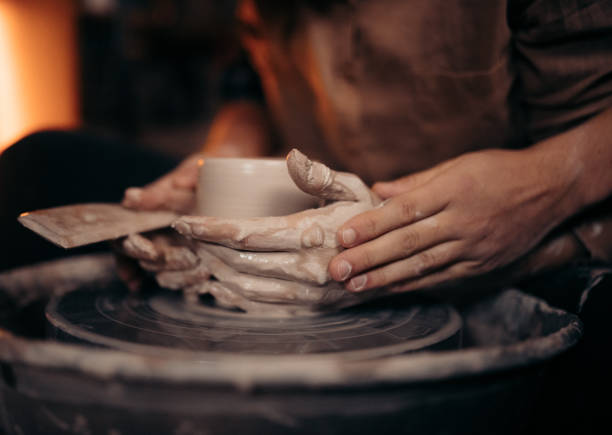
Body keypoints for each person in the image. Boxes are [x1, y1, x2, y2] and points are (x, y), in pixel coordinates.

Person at [118, 0, 612, 304]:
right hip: (313, 209)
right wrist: (227, 155)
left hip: (496, 237)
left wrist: (550, 181)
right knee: (50, 157)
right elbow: (248, 75)